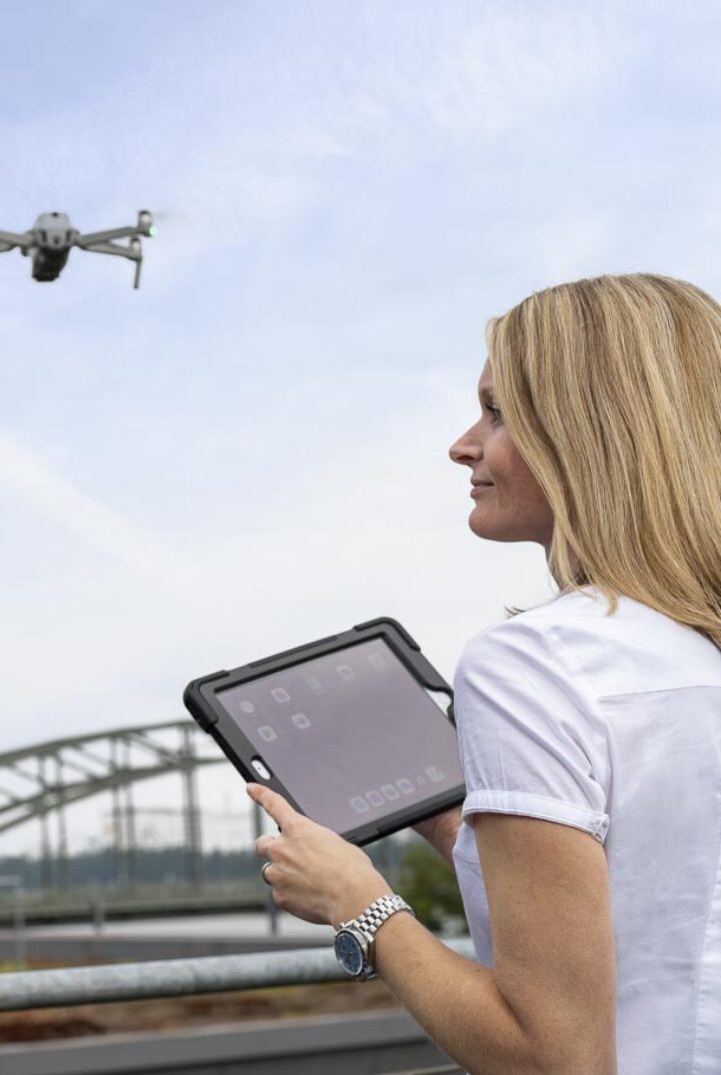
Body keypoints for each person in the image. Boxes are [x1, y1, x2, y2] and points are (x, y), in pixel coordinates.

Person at [248, 272, 721, 1073]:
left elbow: (554, 1057)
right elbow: (664, 884)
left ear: (588, 432)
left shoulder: (532, 662)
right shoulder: (692, 644)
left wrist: (356, 902)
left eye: (498, 412)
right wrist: (456, 825)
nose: (463, 444)